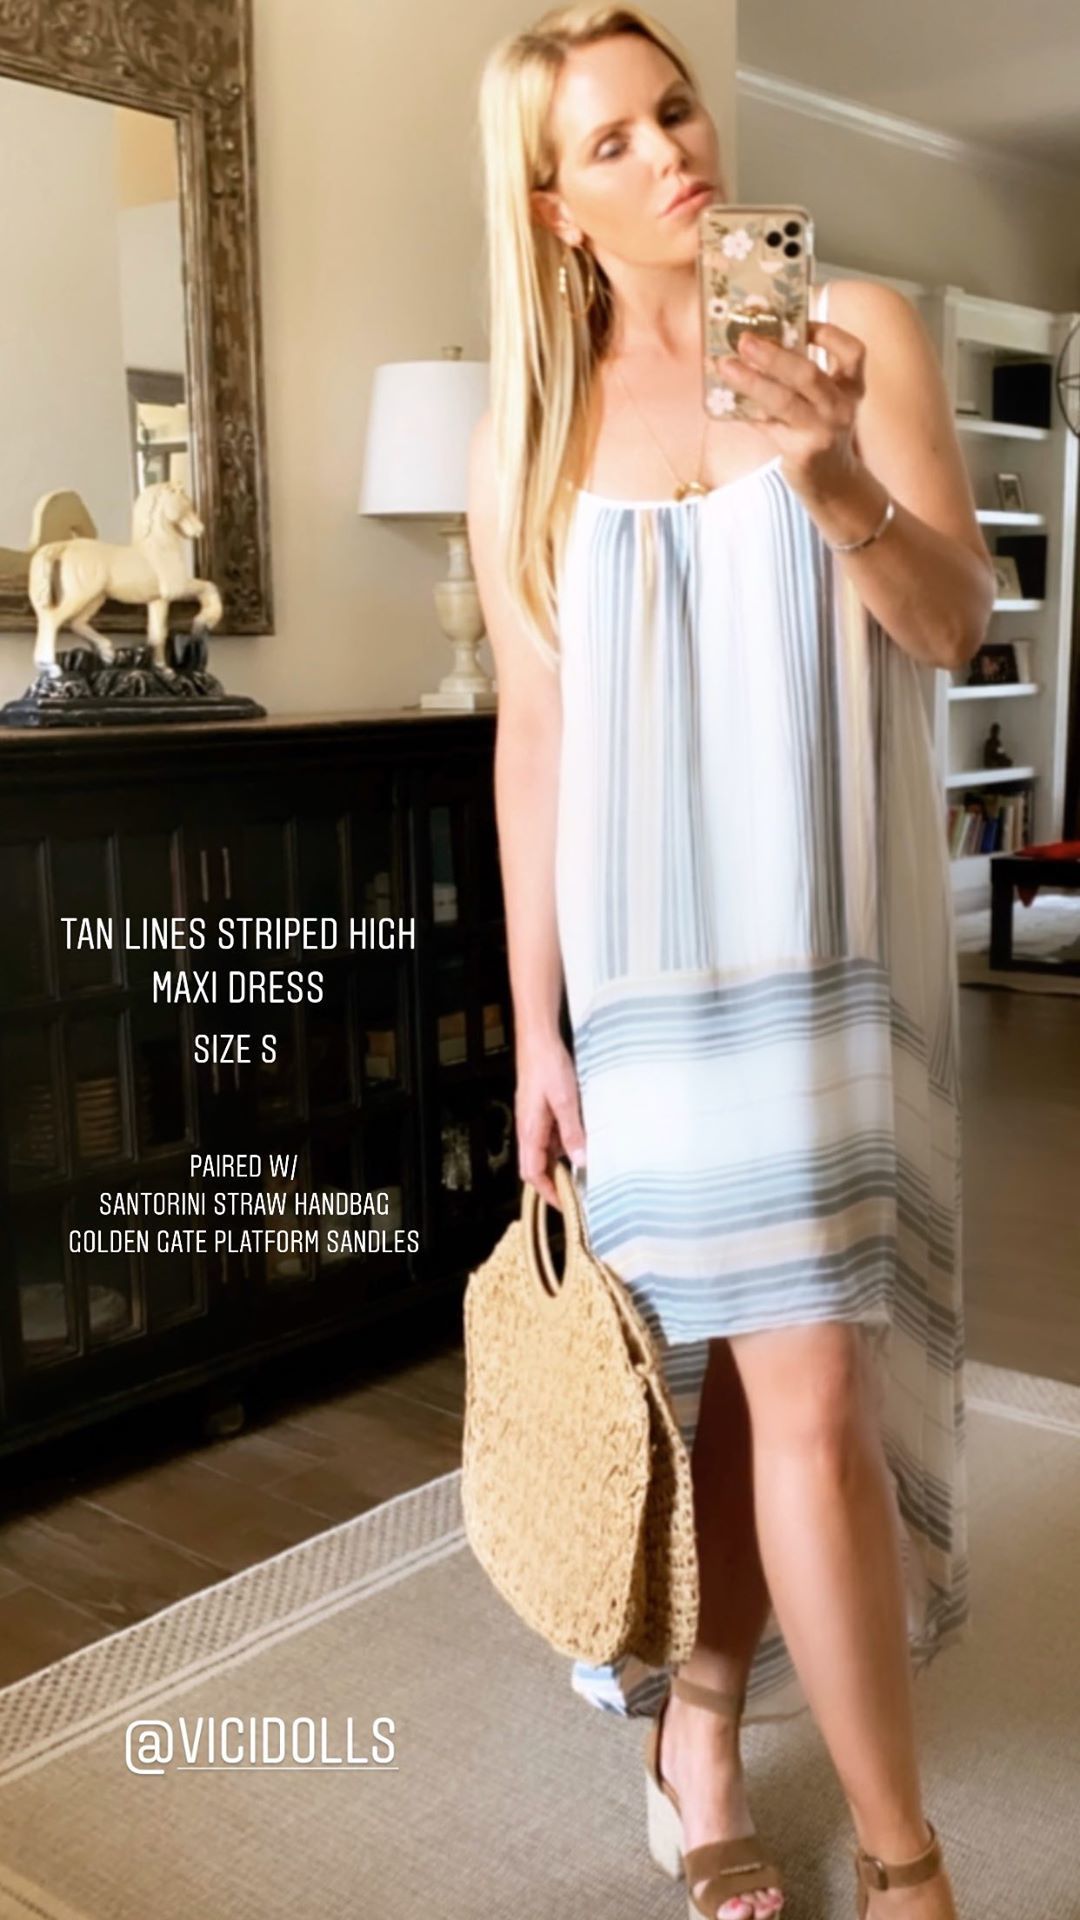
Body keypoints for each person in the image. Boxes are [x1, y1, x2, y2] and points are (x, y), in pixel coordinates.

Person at [466, 7, 995, 1917]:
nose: (672, 152)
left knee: (812, 1392)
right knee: (717, 1392)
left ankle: (897, 1852)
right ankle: (699, 1728)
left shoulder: (852, 330)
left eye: (675, 109)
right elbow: (535, 750)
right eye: (611, 141)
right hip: (640, 987)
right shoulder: (526, 441)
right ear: (554, 207)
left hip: (819, 954)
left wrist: (836, 479)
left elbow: (950, 627)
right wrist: (534, 1030)